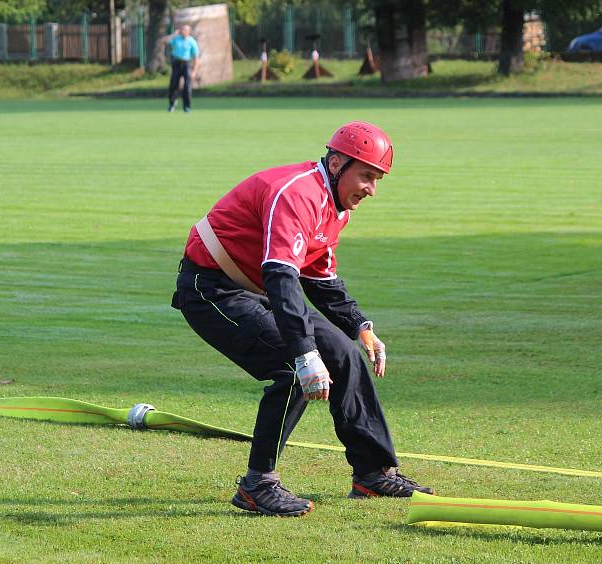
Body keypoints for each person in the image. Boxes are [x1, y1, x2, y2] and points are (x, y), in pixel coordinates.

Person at [171, 121, 435, 517]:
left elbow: (319, 278)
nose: (371, 189)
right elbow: (281, 275)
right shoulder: (298, 193)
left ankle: (372, 474)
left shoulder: (335, 208)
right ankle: (258, 484)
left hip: (259, 290)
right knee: (293, 367)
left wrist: (360, 325)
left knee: (345, 354)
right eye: (366, 176)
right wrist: (306, 353)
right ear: (337, 162)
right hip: (211, 290)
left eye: (377, 180)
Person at [162, 25, 199, 113]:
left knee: (187, 86)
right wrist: (174, 34)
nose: (183, 31)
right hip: (176, 63)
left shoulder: (192, 41)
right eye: (182, 29)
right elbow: (164, 41)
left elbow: (196, 58)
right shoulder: (176, 39)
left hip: (186, 64)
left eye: (185, 30)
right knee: (173, 84)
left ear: (189, 31)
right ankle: (172, 104)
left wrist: (194, 71)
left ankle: (187, 107)